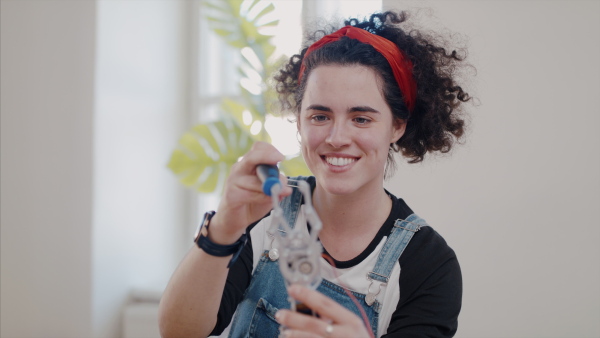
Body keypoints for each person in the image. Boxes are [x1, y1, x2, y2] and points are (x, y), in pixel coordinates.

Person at [159, 10, 472, 338]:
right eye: (320, 116)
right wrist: (222, 229)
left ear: (396, 126)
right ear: (299, 121)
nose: (336, 138)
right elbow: (179, 331)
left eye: (361, 119)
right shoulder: (264, 211)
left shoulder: (428, 264)